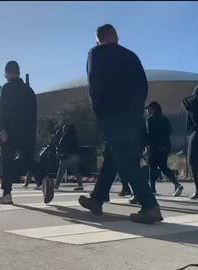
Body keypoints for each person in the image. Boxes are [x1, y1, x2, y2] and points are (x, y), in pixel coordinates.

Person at [78, 24, 162, 224]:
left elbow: (94, 84)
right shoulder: (131, 56)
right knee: (113, 155)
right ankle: (97, 199)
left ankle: (150, 206)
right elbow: (143, 85)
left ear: (98, 38)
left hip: (113, 114)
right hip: (133, 115)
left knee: (126, 159)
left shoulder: (96, 53)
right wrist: (136, 109)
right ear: (116, 36)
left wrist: (99, 111)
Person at [0, 61, 37, 204]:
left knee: (7, 161)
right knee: (29, 160)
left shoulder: (7, 88)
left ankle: (7, 194)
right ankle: (44, 178)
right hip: (28, 133)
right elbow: (34, 114)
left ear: (7, 72)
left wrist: (2, 129)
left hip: (11, 131)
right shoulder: (29, 91)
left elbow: (4, 110)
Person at [144, 101, 184, 196]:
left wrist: (148, 147)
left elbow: (150, 134)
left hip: (155, 147)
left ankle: (153, 189)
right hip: (165, 147)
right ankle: (177, 184)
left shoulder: (150, 120)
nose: (147, 111)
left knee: (152, 167)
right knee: (163, 167)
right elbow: (169, 132)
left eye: (148, 109)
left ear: (153, 109)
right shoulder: (164, 119)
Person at [55, 124, 84, 191]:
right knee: (75, 170)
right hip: (76, 156)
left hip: (67, 156)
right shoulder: (75, 136)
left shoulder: (65, 137)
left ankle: (56, 184)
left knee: (61, 169)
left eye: (64, 128)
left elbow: (62, 146)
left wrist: (59, 153)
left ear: (67, 129)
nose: (63, 130)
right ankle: (80, 185)